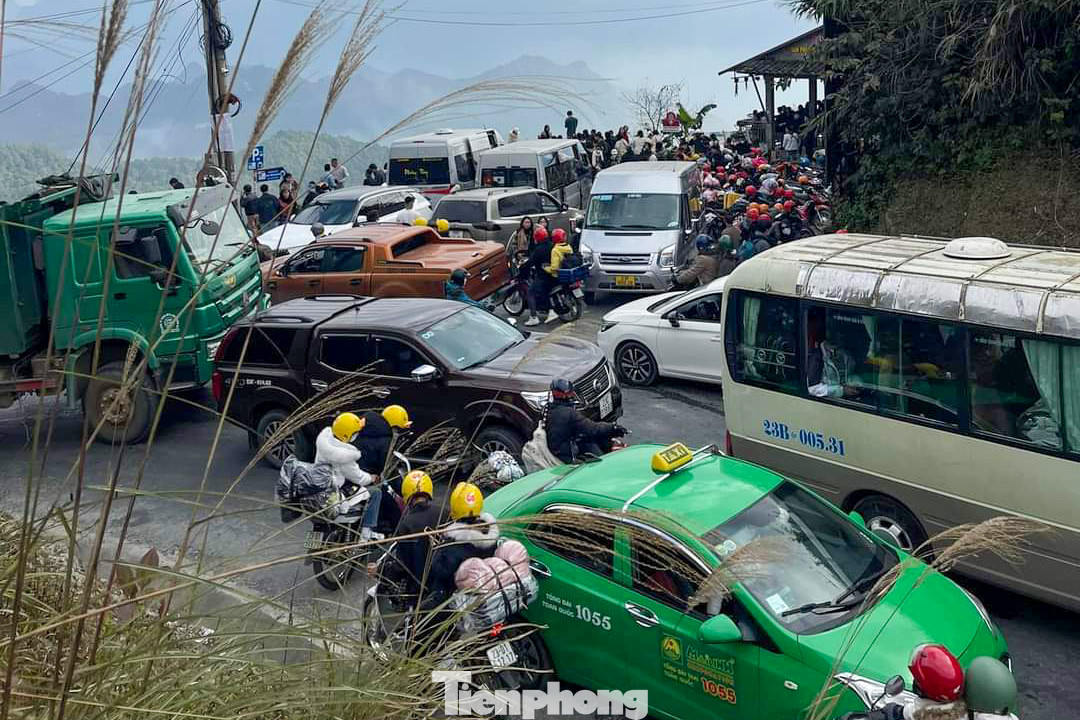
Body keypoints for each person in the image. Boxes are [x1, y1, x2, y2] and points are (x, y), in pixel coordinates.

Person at [427, 483, 500, 601]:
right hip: (489, 592)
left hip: (461, 600)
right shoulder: (490, 534)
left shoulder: (453, 544)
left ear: (454, 507)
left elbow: (441, 572)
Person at [353, 404, 413, 539]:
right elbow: (390, 471)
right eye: (399, 430)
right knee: (392, 508)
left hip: (346, 479)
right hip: (366, 480)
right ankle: (398, 539)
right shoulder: (385, 440)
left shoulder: (361, 429)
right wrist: (406, 493)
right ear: (394, 427)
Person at [385, 470, 440, 602]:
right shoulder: (445, 511)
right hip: (445, 580)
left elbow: (402, 565)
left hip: (422, 587)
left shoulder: (406, 524)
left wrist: (383, 572)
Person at [544, 379, 625, 464]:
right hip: (566, 456)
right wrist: (613, 428)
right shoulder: (569, 414)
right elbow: (593, 429)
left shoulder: (548, 408)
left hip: (555, 448)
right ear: (566, 395)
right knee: (599, 459)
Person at [315, 412, 374, 516]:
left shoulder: (326, 440)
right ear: (347, 434)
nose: (357, 435)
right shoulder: (344, 456)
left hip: (321, 486)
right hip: (334, 494)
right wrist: (371, 478)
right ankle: (366, 530)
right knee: (375, 493)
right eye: (355, 433)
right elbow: (358, 477)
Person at [523, 226, 557, 326]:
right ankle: (550, 310)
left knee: (531, 293)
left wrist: (523, 266)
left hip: (544, 276)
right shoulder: (552, 245)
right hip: (554, 275)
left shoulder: (539, 250)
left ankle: (533, 317)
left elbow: (531, 262)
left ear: (537, 238)